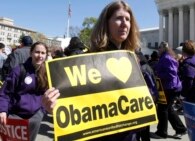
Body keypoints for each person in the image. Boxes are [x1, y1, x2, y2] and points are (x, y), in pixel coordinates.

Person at [42, 1, 141, 141]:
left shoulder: (133, 60)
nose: (124, 23)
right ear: (105, 24)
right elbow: (72, 106)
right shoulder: (87, 61)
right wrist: (53, 105)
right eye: (118, 18)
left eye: (128, 19)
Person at [0, 41, 49, 141]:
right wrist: (3, 111)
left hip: (35, 117)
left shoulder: (47, 73)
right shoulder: (19, 70)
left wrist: (41, 112)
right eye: (37, 52)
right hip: (15, 116)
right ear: (31, 53)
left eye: (43, 53)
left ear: (46, 55)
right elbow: (5, 93)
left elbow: (47, 93)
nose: (40, 55)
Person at [153, 41, 186, 138]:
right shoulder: (166, 57)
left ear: (163, 48)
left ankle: (162, 132)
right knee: (168, 109)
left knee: (163, 109)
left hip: (170, 87)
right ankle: (180, 128)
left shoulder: (167, 58)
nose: (158, 49)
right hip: (169, 86)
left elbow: (171, 74)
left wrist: (158, 75)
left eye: (159, 47)